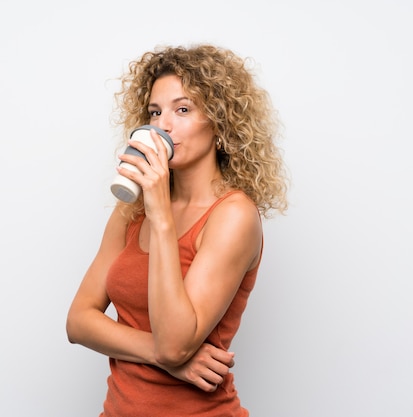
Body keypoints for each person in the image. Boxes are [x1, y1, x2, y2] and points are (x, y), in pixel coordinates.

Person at [66, 43, 288, 417]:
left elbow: (175, 344)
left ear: (220, 123)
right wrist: (166, 357)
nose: (162, 125)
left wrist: (161, 214)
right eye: (155, 112)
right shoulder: (131, 210)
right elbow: (79, 321)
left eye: (182, 109)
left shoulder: (233, 216)